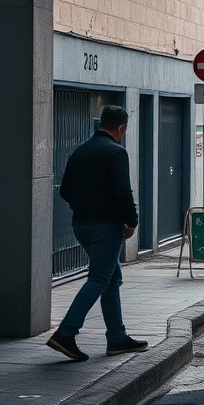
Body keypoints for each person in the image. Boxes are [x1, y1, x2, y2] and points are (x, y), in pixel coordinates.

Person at [47, 105, 148, 361]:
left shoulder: (81, 150)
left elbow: (65, 190)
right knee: (99, 279)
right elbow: (123, 192)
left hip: (81, 225)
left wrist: (84, 206)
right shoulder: (116, 152)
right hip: (106, 227)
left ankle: (117, 338)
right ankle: (66, 333)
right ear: (121, 128)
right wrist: (132, 221)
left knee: (111, 279)